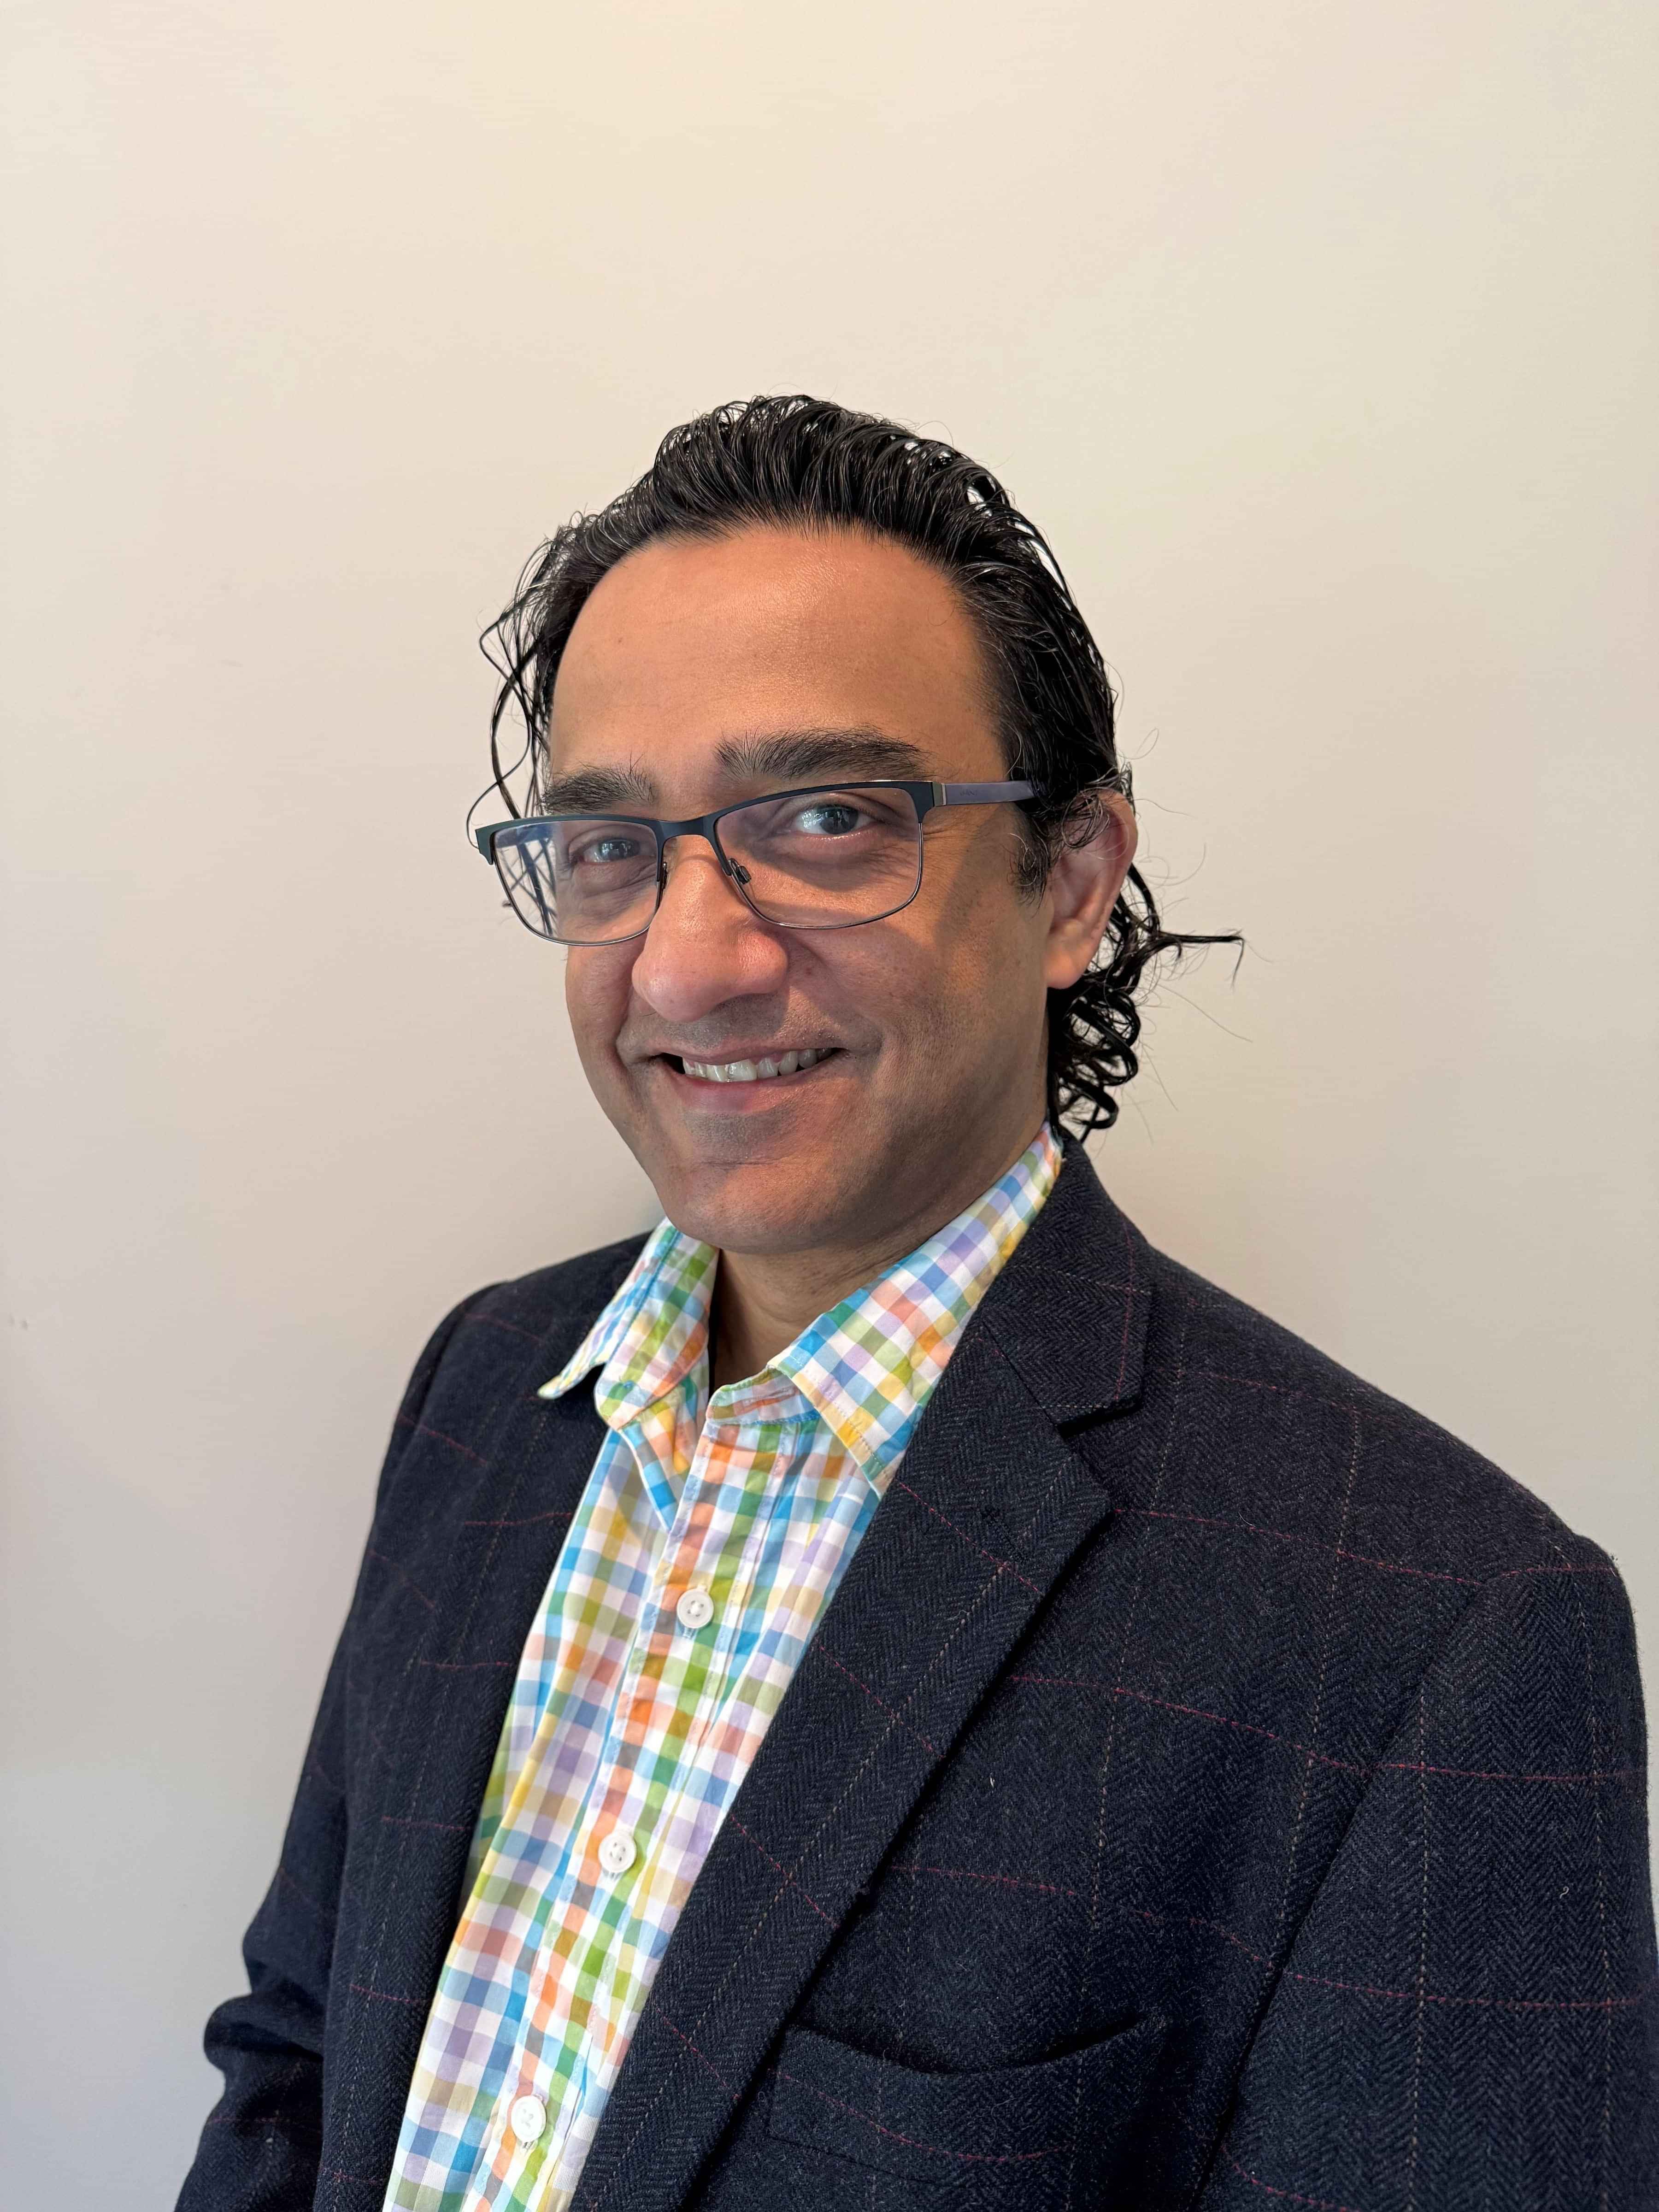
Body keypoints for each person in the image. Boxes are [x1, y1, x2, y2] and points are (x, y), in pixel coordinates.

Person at [178, 396, 1656, 2212]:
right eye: (609, 842)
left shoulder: (1436, 1638)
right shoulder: (490, 1388)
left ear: (1072, 883)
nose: (688, 964)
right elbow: (307, 2055)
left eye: (826, 820)